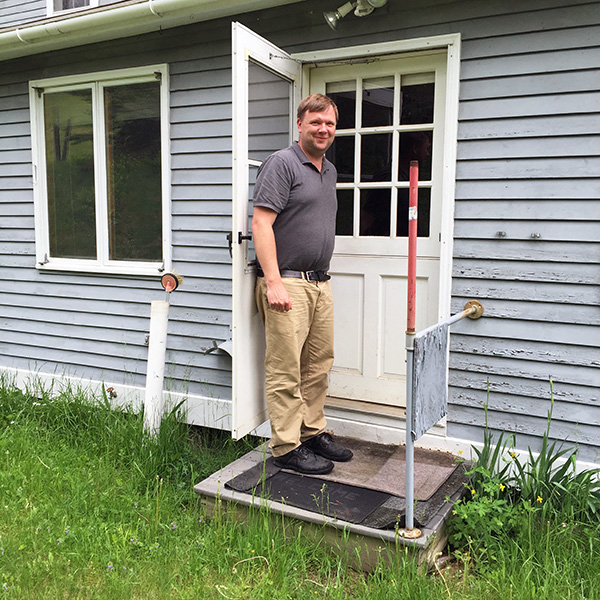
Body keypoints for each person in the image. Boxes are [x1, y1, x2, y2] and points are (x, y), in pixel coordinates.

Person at [252, 94, 353, 475]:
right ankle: (286, 445)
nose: (323, 129)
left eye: (329, 123)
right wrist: (273, 282)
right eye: (315, 122)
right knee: (286, 369)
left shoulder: (328, 170)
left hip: (319, 284)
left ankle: (312, 433)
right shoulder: (282, 164)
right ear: (300, 124)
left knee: (318, 365)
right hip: (287, 284)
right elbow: (261, 223)